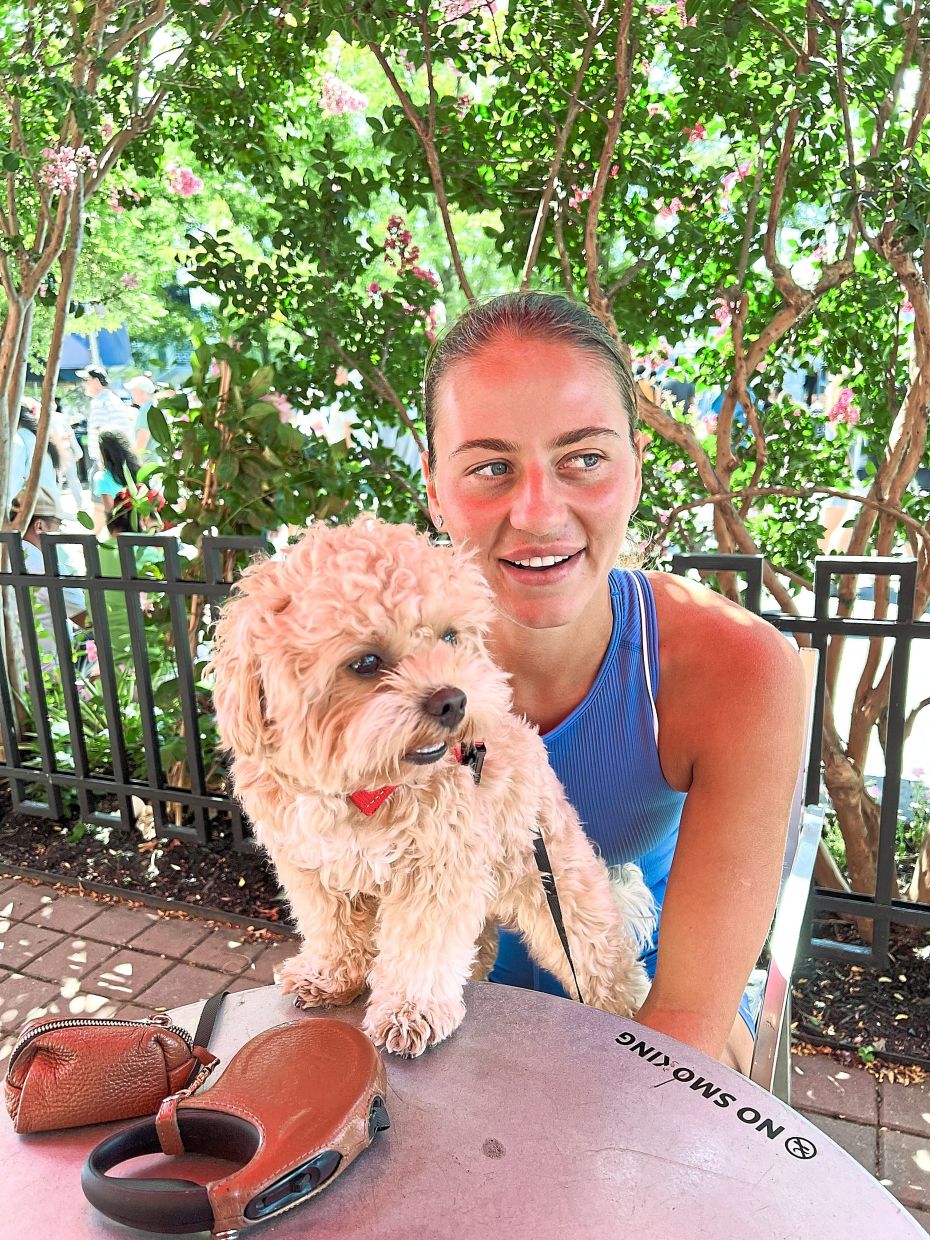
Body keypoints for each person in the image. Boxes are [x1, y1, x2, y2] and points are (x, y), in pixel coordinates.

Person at [420, 292, 806, 1073]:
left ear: (635, 468)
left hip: (650, 987)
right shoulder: (381, 664)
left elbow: (687, 1022)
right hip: (443, 982)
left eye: (584, 459)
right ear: (434, 485)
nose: (536, 512)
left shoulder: (734, 667)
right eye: (491, 467)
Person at [9, 485, 88, 667]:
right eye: (57, 527)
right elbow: (88, 620)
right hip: (49, 672)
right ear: (40, 526)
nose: (59, 533)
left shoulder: (7, 553)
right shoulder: (45, 567)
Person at [77, 366, 136, 472]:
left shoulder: (99, 402)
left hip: (106, 460)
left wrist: (101, 462)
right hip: (118, 456)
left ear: (96, 381)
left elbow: (101, 432)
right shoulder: (113, 399)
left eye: (86, 380)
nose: (84, 384)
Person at [92, 431, 140, 534]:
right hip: (144, 526)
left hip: (122, 533)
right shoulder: (140, 471)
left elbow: (108, 513)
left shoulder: (102, 479)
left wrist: (93, 536)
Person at [126, 374, 159, 464]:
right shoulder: (155, 406)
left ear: (141, 392)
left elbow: (142, 442)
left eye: (133, 390)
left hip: (148, 463)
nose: (131, 394)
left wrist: (132, 462)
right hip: (157, 460)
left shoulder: (146, 410)